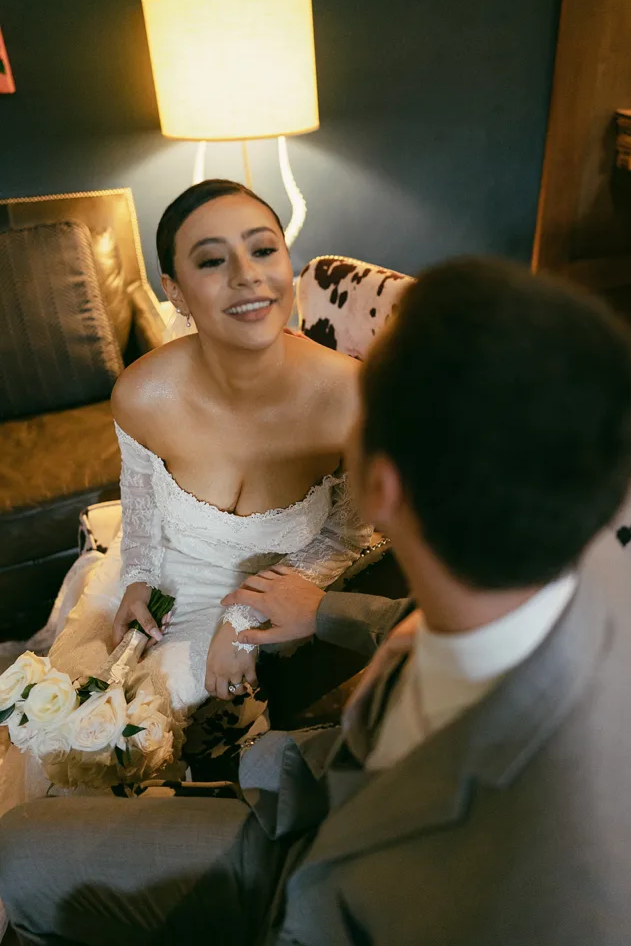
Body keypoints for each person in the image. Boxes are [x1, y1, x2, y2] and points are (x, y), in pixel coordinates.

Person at [3, 256, 631, 946]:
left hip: (306, 882)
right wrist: (324, 611)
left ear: (376, 484)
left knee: (17, 855)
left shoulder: (504, 873)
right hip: (313, 791)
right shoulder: (591, 561)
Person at [0, 179, 372, 803]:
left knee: (144, 742)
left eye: (263, 250)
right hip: (159, 574)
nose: (247, 275)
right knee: (59, 730)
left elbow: (350, 534)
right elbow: (142, 500)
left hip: (267, 594)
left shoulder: (353, 397)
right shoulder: (142, 393)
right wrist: (140, 574)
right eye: (210, 260)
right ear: (175, 290)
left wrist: (242, 613)